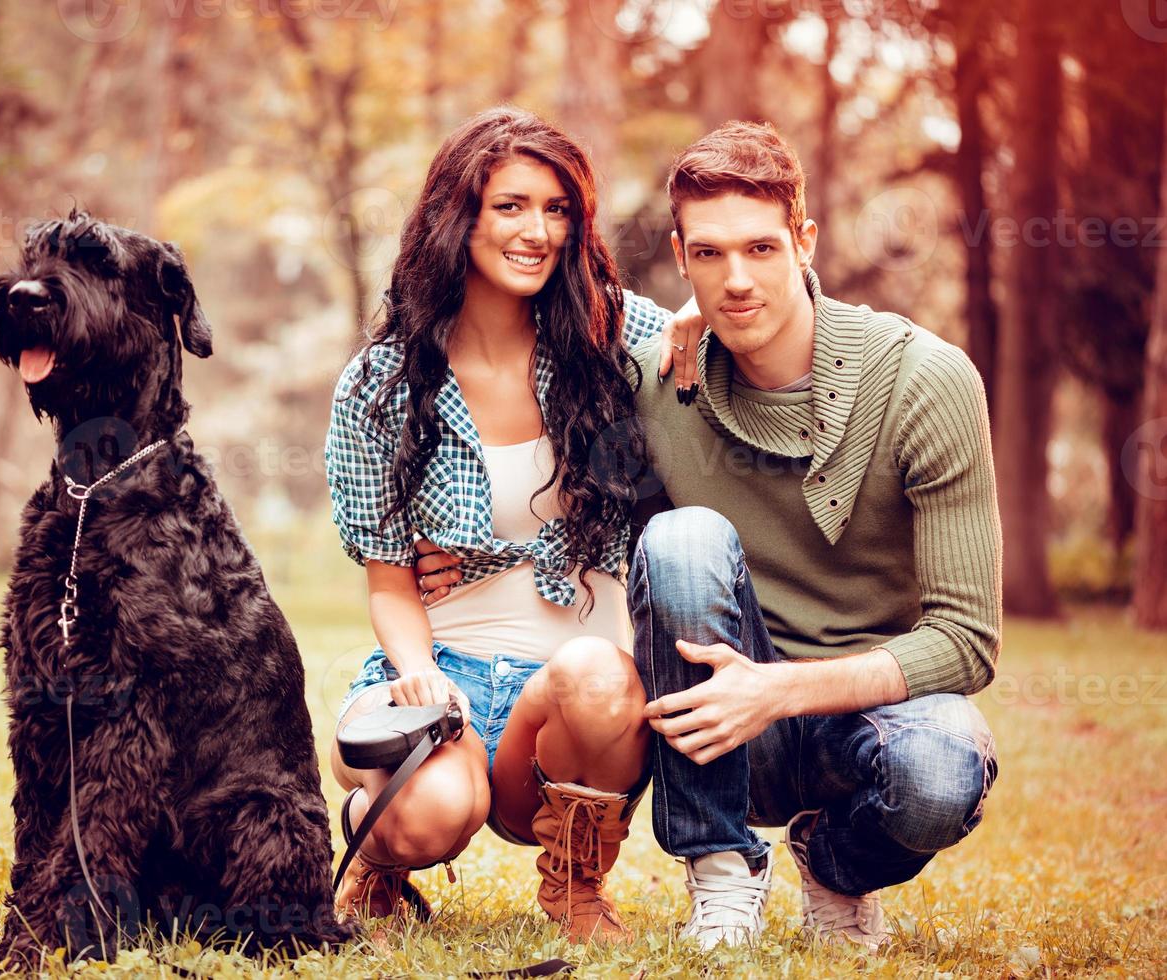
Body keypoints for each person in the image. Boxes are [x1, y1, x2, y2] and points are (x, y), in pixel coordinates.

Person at [415, 119, 1002, 953]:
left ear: (805, 242)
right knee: (683, 538)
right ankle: (721, 872)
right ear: (681, 259)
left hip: (872, 718)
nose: (737, 282)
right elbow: (511, 343)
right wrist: (453, 549)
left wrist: (776, 690)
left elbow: (969, 642)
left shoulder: (924, 381)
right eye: (710, 255)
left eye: (762, 250)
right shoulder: (657, 370)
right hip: (717, 732)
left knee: (943, 775)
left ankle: (832, 865)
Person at [323, 106, 699, 943]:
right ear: (459, 216)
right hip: (447, 672)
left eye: (557, 209)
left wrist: (692, 324)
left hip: (575, 688)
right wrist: (419, 675)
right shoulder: (380, 385)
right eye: (511, 206)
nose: (538, 230)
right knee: (429, 814)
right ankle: (377, 862)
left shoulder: (612, 334)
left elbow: (725, 332)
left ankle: (577, 887)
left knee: (599, 678)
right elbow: (388, 582)